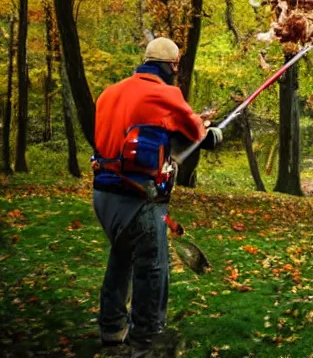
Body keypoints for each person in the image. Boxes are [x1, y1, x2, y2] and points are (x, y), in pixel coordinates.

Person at [92, 37, 223, 357]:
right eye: (176, 67)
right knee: (153, 268)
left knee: (121, 257)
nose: (176, 73)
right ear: (170, 66)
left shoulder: (109, 93)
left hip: (103, 196)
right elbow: (195, 132)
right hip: (139, 198)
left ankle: (111, 329)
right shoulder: (165, 93)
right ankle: (147, 341)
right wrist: (213, 134)